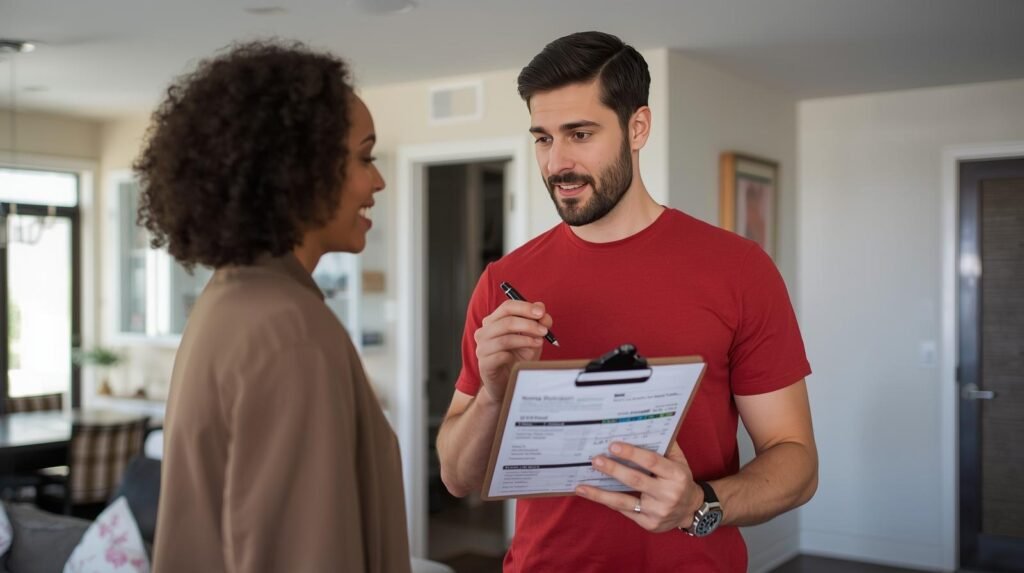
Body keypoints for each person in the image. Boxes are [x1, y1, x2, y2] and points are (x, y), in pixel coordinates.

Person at [436, 31, 818, 572]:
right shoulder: (505, 279)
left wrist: (699, 504)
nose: (557, 163)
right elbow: (457, 476)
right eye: (543, 139)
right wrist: (495, 391)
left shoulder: (738, 269)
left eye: (580, 134)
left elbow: (797, 461)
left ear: (637, 127)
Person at [136, 41, 410, 573]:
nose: (376, 182)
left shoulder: (230, 301)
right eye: (364, 157)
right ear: (298, 169)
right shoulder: (292, 333)